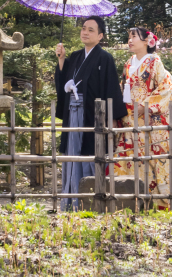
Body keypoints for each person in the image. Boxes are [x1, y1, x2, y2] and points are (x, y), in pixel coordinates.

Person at [54, 15, 127, 211]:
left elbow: (111, 89)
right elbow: (63, 83)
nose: (85, 32)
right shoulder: (75, 56)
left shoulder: (105, 58)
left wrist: (110, 118)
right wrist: (61, 60)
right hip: (73, 113)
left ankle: (88, 202)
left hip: (93, 116)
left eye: (91, 30)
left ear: (100, 36)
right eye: (83, 28)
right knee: (72, 154)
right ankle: (70, 201)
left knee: (90, 153)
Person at [112, 26, 172, 207]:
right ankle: (132, 202)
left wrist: (146, 105)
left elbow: (166, 86)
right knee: (131, 159)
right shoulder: (128, 63)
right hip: (130, 119)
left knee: (155, 161)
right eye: (129, 37)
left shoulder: (154, 61)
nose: (130, 40)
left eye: (134, 36)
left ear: (147, 41)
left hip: (150, 120)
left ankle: (159, 204)